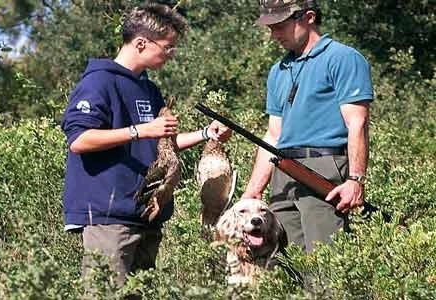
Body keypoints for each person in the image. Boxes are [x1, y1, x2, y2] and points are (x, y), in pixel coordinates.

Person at [60, 3, 231, 288]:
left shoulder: (148, 88)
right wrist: (140, 130)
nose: (171, 55)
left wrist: (205, 133)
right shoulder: (99, 82)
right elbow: (80, 140)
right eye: (168, 47)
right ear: (141, 43)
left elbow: (162, 141)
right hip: (109, 217)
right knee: (105, 293)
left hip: (146, 216)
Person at [242, 0, 373, 254]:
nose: (274, 35)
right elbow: (273, 135)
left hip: (324, 169)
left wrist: (355, 180)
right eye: (270, 28)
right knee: (285, 264)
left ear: (309, 17)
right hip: (282, 173)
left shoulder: (343, 58)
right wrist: (253, 191)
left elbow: (357, 123)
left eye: (280, 26)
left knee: (326, 264)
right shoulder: (278, 70)